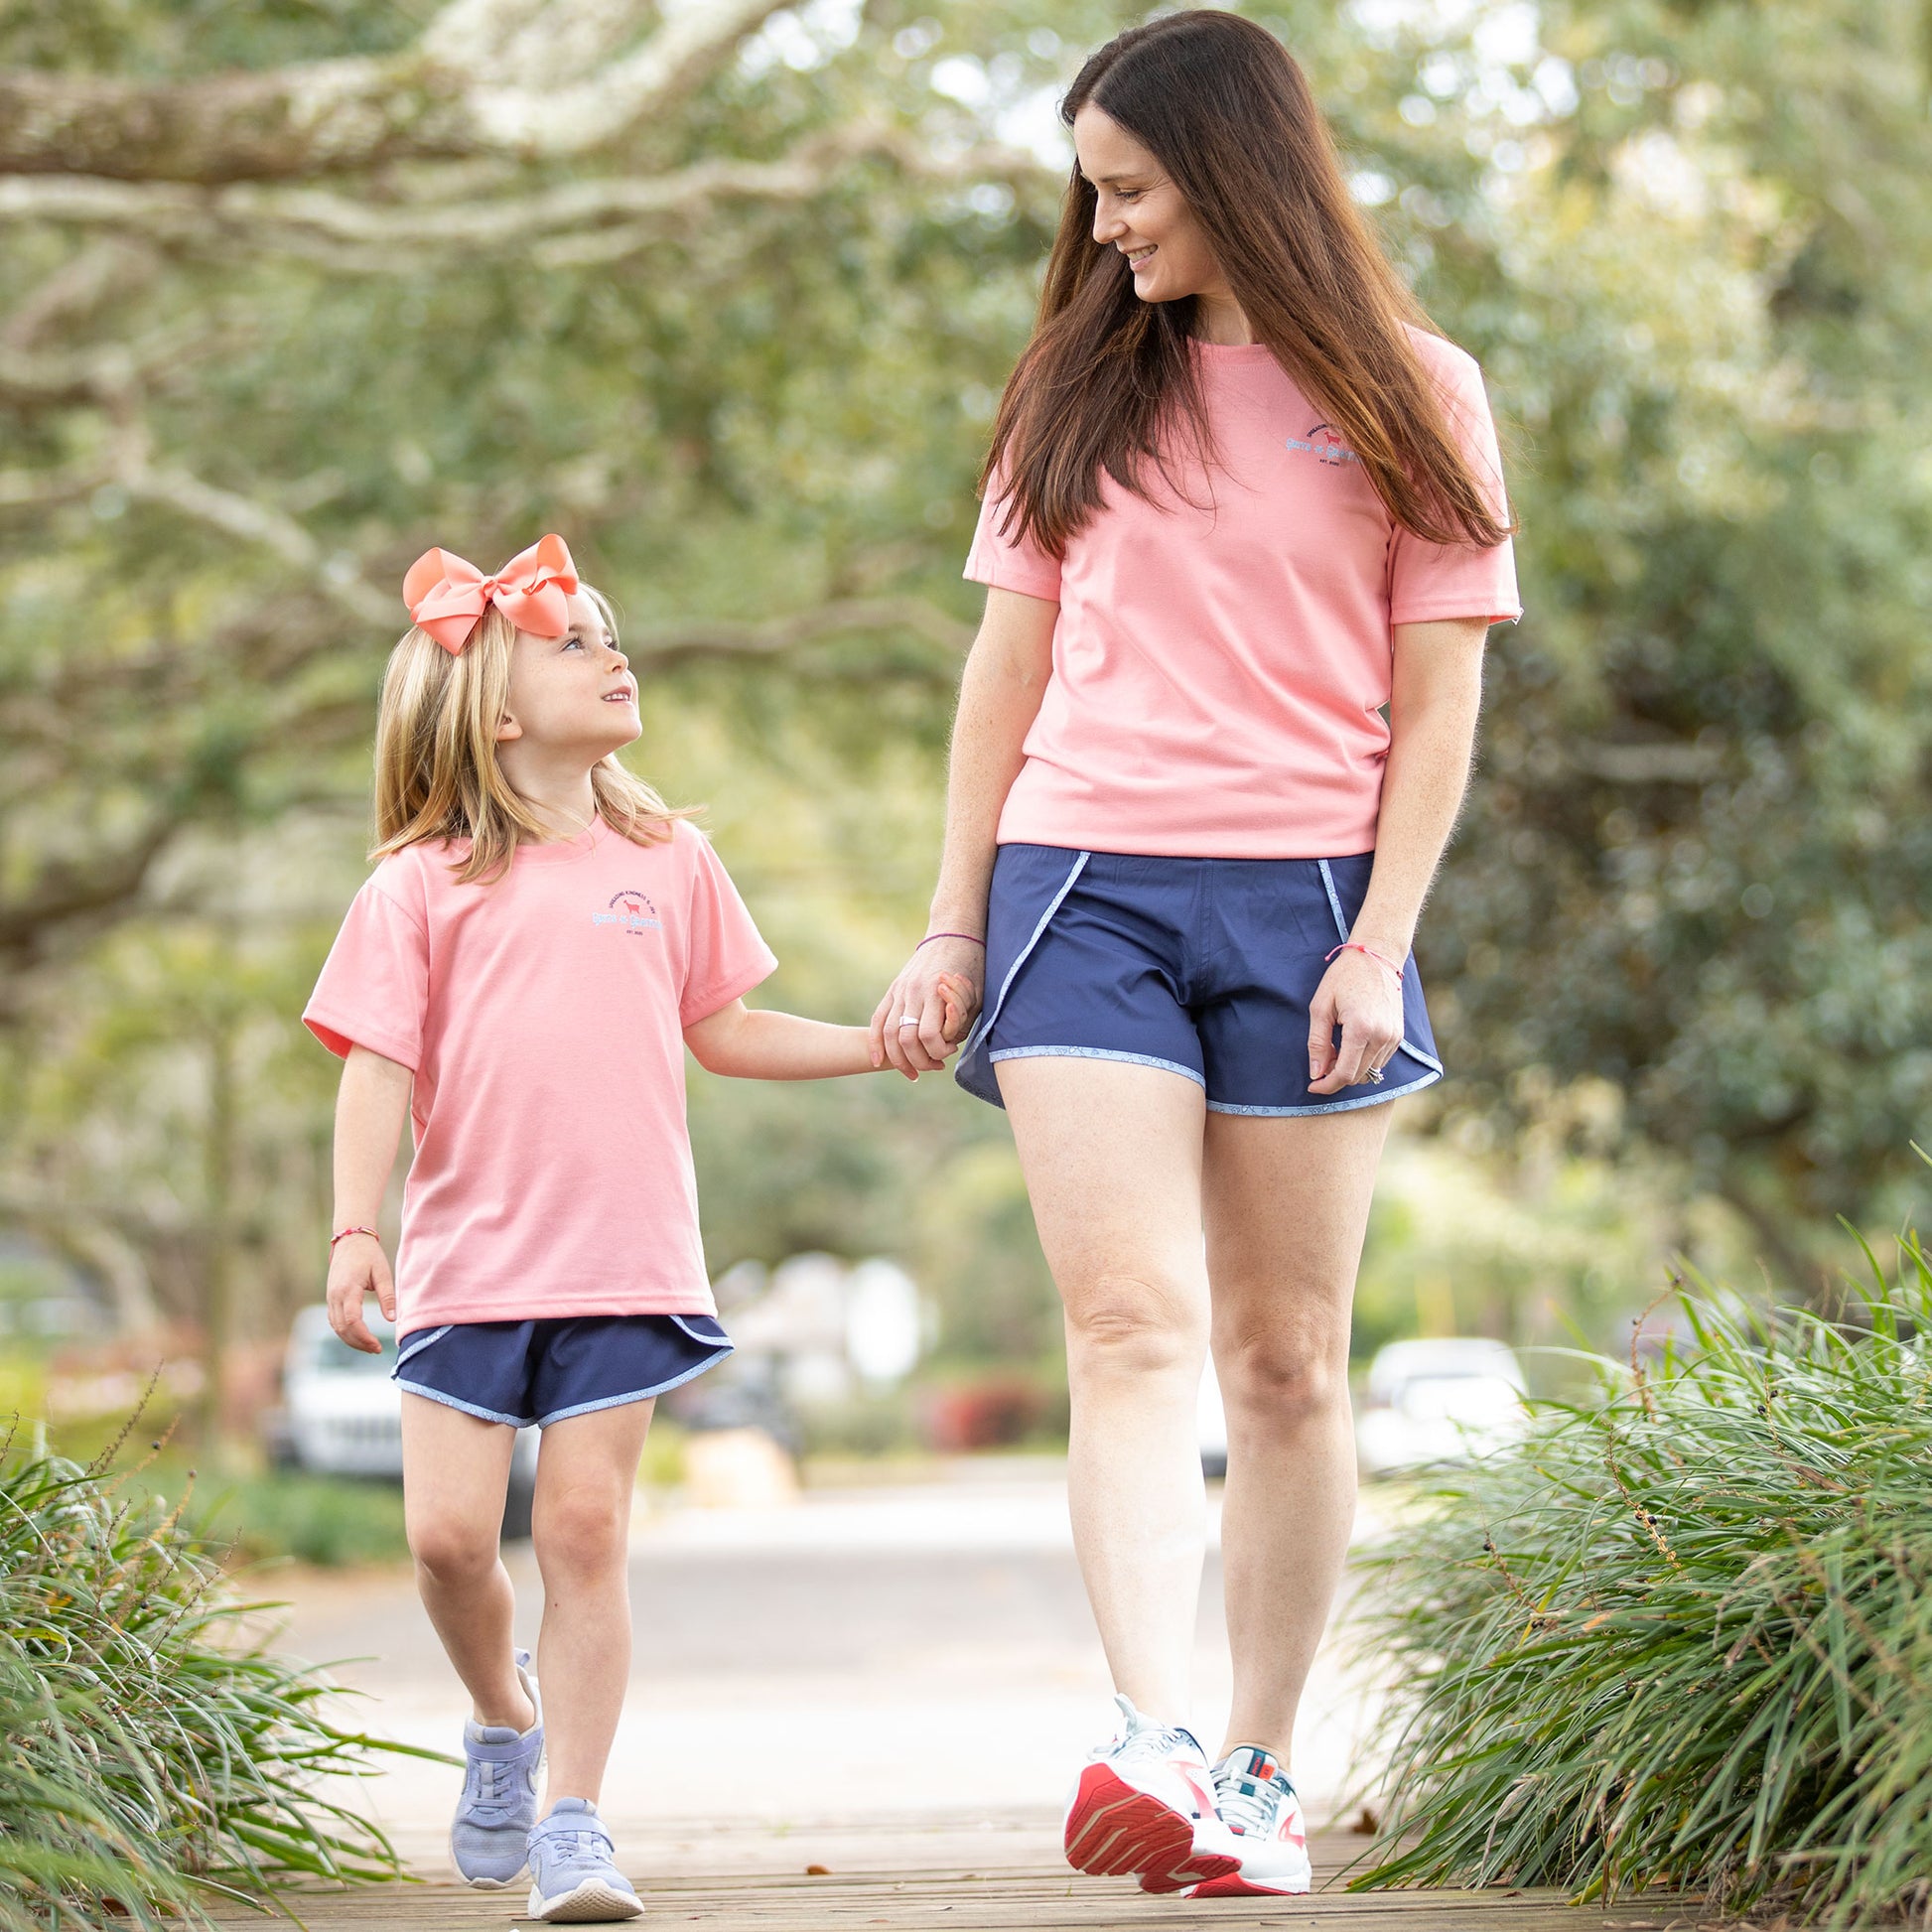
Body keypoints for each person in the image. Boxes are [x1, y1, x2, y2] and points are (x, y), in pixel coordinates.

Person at [871, 12, 1520, 1900]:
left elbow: (1439, 685)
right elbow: (1003, 667)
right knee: (1131, 1327)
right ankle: (1148, 1727)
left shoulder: (1420, 391)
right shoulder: (1071, 389)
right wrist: (950, 914)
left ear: (1235, 170)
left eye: (1133, 187)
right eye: (1094, 188)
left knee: (1290, 1358)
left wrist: (1381, 941)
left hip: (1312, 899)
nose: (1108, 221)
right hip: (1081, 882)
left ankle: (1254, 1768)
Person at [305, 535, 940, 1922]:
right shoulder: (419, 883)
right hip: (470, 1268)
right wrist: (357, 1230)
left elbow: (724, 1028)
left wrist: (870, 1045)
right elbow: (374, 1064)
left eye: (610, 630)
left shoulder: (669, 855)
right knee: (449, 1543)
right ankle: (500, 1713)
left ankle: (575, 1823)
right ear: (495, 710)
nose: (612, 650)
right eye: (573, 639)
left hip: (626, 1254)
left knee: (585, 1528)